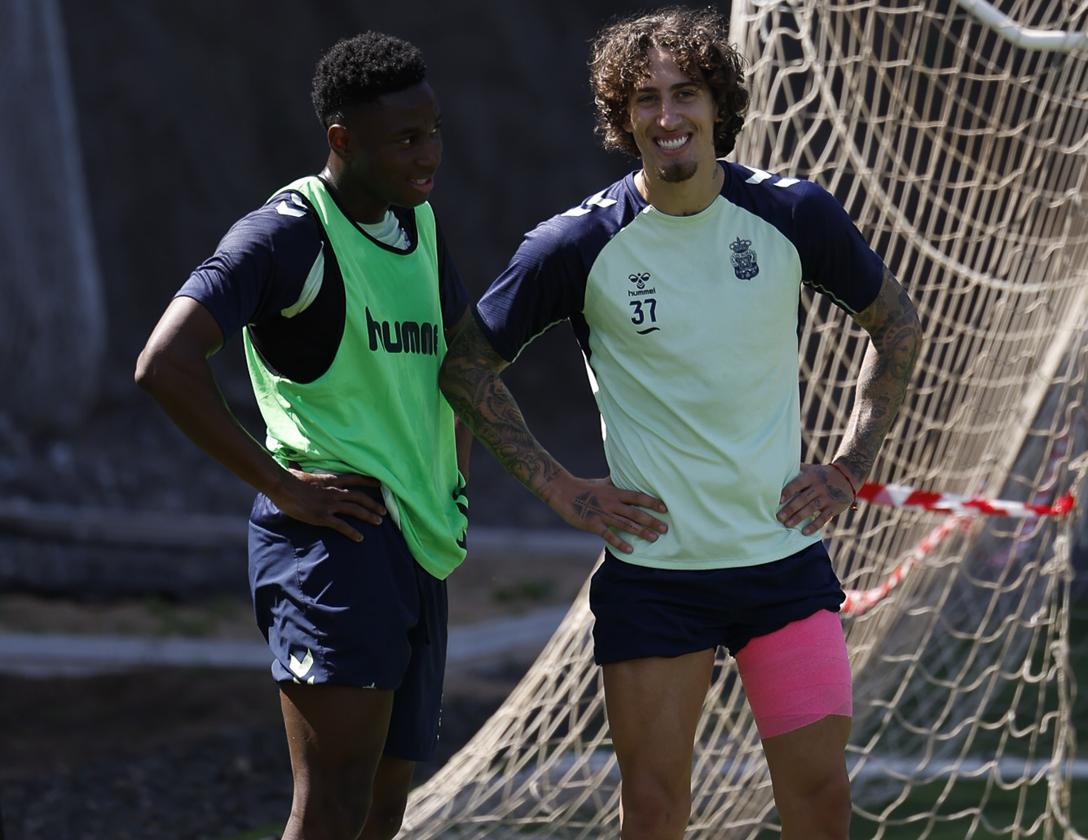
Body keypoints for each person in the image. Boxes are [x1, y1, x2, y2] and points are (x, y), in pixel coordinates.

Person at [438, 7, 922, 840]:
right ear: (622, 119)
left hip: (783, 565)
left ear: (718, 105)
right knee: (656, 813)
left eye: (686, 94)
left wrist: (849, 464)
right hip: (657, 578)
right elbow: (466, 365)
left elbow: (898, 327)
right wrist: (562, 490)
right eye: (646, 99)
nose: (668, 116)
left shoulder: (794, 214)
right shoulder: (575, 243)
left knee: (820, 804)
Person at [135, 31, 471, 840]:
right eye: (404, 140)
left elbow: (462, 370)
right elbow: (164, 363)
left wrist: (456, 484)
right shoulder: (285, 233)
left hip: (419, 544)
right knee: (330, 804)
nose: (427, 156)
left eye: (432, 132)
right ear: (341, 141)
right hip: (331, 542)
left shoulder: (418, 224)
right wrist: (281, 486)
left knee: (384, 810)